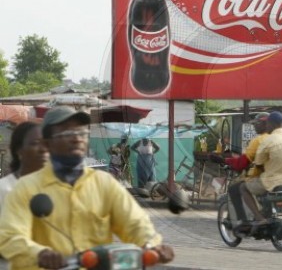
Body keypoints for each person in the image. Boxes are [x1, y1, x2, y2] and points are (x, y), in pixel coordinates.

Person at [0, 106, 174, 269]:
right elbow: (10, 237)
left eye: (81, 132)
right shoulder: (25, 188)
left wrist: (151, 244)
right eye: (67, 132)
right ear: (47, 144)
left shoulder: (105, 184)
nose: (77, 137)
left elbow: (135, 222)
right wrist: (40, 253)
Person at [240, 111, 282, 229]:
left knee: (243, 187)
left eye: (267, 124)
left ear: (271, 124)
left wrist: (249, 176)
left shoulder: (268, 140)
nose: (266, 126)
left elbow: (258, 164)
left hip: (273, 182)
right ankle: (277, 218)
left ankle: (259, 218)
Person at [223, 112, 269, 224]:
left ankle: (245, 221)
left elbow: (242, 163)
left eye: (256, 124)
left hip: (266, 178)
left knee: (236, 188)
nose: (254, 127)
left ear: (263, 124)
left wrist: (224, 160)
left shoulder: (258, 140)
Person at [0, 121, 49, 208]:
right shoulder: (5, 190)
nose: (43, 149)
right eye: (35, 143)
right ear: (19, 150)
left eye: (46, 144)